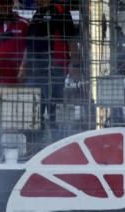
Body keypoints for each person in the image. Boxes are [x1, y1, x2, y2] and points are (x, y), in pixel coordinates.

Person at [26, 0, 80, 136]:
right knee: (34, 113)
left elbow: (72, 41)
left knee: (55, 111)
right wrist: (23, 66)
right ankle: (36, 148)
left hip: (55, 70)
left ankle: (59, 145)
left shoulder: (61, 12)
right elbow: (30, 44)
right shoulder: (37, 14)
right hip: (36, 71)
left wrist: (75, 66)